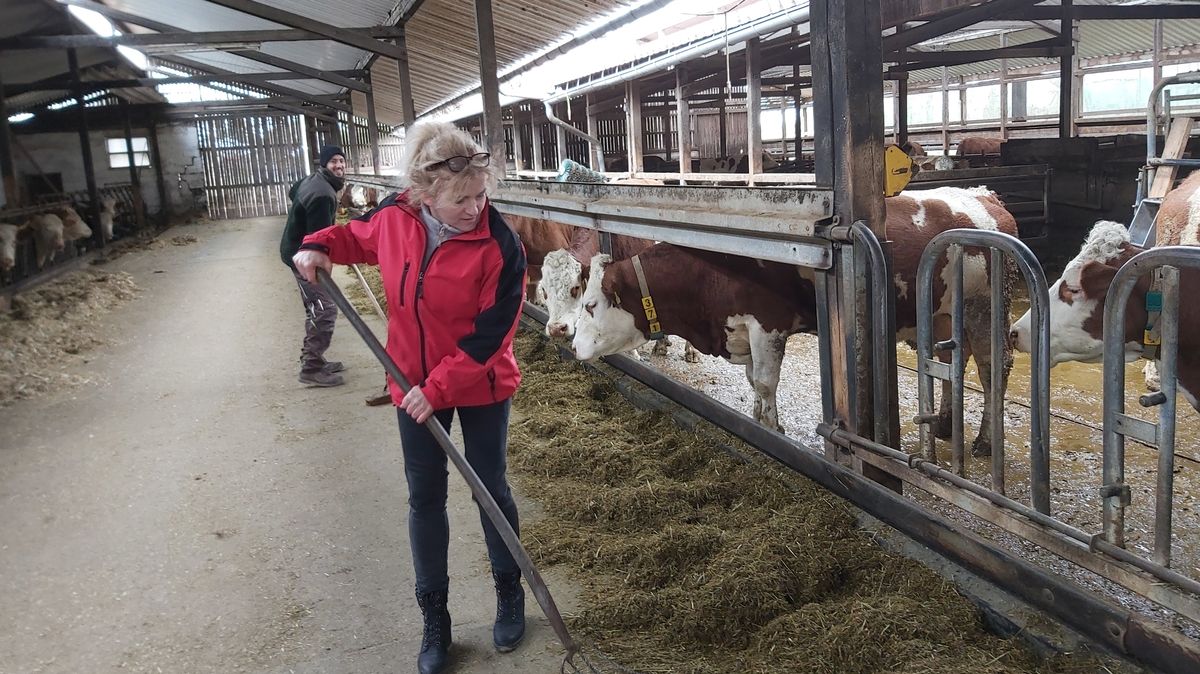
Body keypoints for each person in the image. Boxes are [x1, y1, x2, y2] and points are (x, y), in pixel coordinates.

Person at [291, 122, 527, 674]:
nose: (475, 207)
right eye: (461, 199)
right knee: (425, 499)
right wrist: (316, 245)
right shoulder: (396, 218)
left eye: (481, 194)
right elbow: (356, 238)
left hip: (479, 382)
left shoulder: (501, 246)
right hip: (411, 380)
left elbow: (493, 335)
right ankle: (435, 618)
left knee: (488, 486)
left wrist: (437, 389)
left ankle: (509, 592)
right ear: (424, 194)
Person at [280, 145, 348, 387]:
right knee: (325, 308)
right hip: (301, 255)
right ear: (324, 165)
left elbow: (292, 191)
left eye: (341, 161)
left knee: (315, 306)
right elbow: (318, 239)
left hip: (293, 249)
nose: (339, 166)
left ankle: (316, 359)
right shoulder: (323, 195)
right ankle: (311, 367)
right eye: (334, 162)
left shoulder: (312, 180)